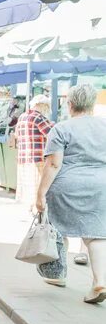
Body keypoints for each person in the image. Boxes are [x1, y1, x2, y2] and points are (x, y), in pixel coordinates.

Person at [35, 84, 106, 304]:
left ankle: (57, 275)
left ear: (70, 104)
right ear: (92, 105)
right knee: (96, 234)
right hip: (100, 185)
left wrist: (40, 193)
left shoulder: (61, 128)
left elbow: (54, 164)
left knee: (57, 228)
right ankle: (99, 281)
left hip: (67, 185)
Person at [14, 94, 55, 210]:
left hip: (23, 158)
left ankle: (31, 209)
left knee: (29, 189)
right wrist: (53, 124)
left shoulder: (22, 116)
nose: (46, 110)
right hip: (37, 159)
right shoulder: (38, 117)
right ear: (41, 105)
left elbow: (16, 135)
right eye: (46, 107)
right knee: (38, 188)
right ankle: (37, 212)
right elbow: (51, 134)